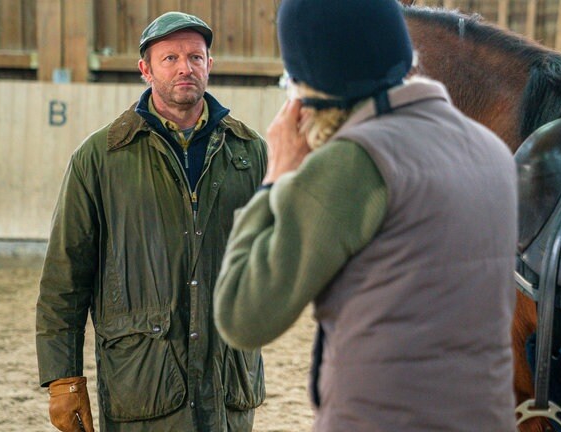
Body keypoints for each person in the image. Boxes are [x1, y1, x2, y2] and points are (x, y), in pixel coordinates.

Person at [213, 0, 519, 431]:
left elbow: (242, 315)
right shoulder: (492, 152)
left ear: (308, 90)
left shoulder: (355, 162)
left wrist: (277, 177)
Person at [36, 11, 266, 432]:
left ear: (209, 65)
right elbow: (64, 278)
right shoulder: (100, 158)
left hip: (227, 382)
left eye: (196, 57)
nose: (185, 67)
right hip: (143, 382)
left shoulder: (250, 153)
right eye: (170, 58)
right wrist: (63, 380)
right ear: (145, 69)